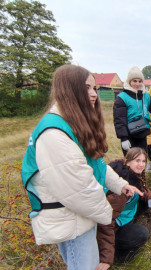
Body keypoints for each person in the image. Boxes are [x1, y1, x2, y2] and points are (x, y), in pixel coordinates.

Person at [21, 65, 142, 269]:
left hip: (78, 215)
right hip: (71, 219)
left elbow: (97, 164)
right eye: (87, 88)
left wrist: (120, 185)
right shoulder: (54, 134)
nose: (94, 94)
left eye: (94, 88)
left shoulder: (72, 125)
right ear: (69, 90)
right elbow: (79, 190)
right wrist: (108, 214)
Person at [96, 147, 151, 269]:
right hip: (114, 227)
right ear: (127, 161)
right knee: (142, 233)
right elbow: (105, 223)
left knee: (145, 203)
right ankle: (119, 257)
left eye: (143, 161)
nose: (141, 165)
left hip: (122, 216)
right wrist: (107, 258)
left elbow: (142, 190)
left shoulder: (131, 175)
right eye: (137, 161)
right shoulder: (120, 191)